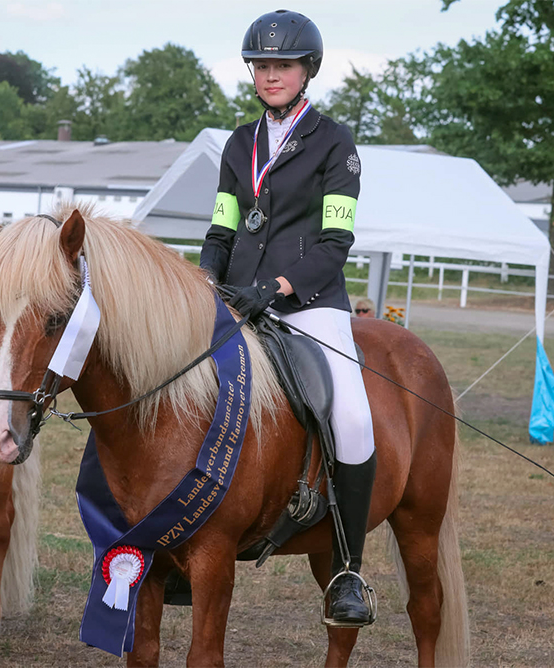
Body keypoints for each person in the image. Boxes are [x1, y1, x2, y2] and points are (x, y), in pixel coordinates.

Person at [199, 9, 377, 627]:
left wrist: (272, 289)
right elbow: (222, 228)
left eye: (283, 65)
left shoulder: (335, 143)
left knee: (352, 415)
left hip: (309, 306)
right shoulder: (237, 144)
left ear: (307, 71)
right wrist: (207, 285)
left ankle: (349, 570)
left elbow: (334, 244)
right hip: (235, 301)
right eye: (261, 66)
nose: (270, 75)